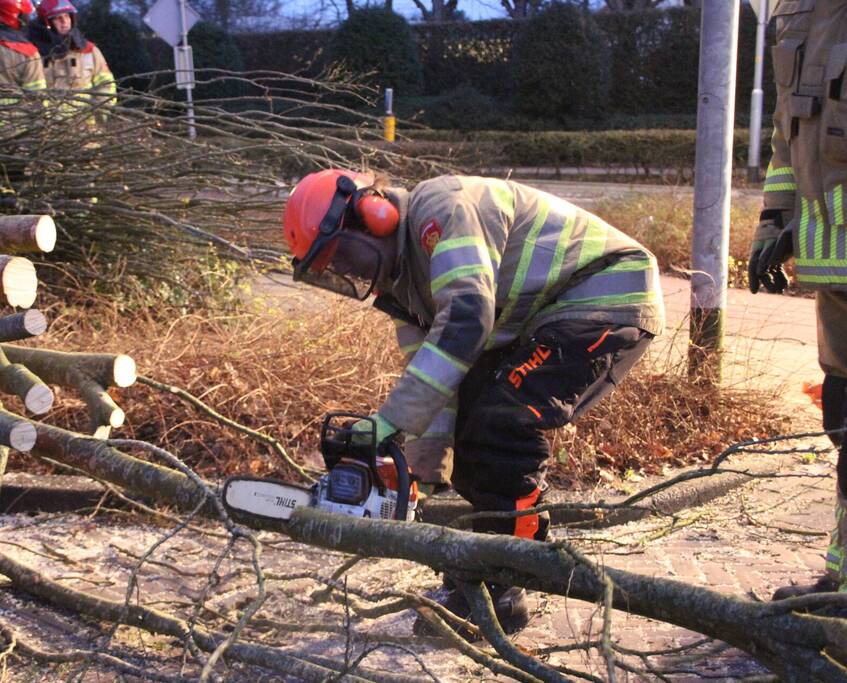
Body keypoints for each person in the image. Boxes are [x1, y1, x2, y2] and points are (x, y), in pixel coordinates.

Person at [283, 169, 666, 635]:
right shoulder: (403, 289)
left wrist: (387, 425)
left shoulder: (442, 209)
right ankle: (478, 576)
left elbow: (467, 317)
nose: (351, 271)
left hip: (606, 295)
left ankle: (509, 579)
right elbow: (437, 383)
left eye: (345, 255)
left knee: (503, 420)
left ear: (374, 214)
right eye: (335, 269)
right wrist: (420, 474)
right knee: (475, 425)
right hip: (545, 317)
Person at [749, 1, 847, 599]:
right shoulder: (798, 10)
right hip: (834, 274)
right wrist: (772, 221)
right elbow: (790, 134)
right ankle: (841, 584)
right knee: (844, 427)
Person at [28, 0, 116, 108]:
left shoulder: (89, 50)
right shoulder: (34, 53)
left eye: (67, 16)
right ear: (47, 23)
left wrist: (102, 112)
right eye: (57, 17)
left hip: (84, 122)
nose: (64, 21)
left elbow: (106, 85)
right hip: (48, 123)